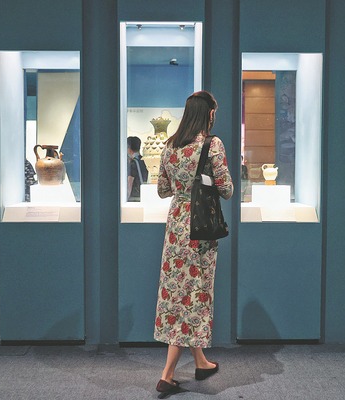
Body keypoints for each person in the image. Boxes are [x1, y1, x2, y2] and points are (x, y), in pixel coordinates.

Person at [153, 91, 233, 395]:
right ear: (209, 113)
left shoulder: (170, 146)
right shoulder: (212, 145)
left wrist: (182, 186)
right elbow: (227, 189)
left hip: (176, 225)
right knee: (194, 294)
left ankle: (201, 362)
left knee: (178, 290)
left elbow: (163, 189)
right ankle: (167, 374)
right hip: (200, 226)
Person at [127, 136, 148, 201]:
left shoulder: (133, 163)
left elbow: (129, 183)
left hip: (134, 197)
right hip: (142, 194)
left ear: (129, 148)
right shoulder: (144, 160)